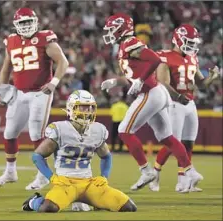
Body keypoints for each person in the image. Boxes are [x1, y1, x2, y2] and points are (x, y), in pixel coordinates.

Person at [100, 13, 202, 193]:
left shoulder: (130, 43)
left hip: (150, 93)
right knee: (168, 138)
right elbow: (132, 77)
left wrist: (141, 79)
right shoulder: (126, 46)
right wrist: (115, 81)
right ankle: (190, 171)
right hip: (156, 93)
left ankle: (146, 171)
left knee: (124, 131)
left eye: (112, 29)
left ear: (121, 29)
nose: (110, 33)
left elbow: (155, 59)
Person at [0, 8, 69, 191]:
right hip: (18, 93)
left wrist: (54, 83)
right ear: (16, 25)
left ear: (35, 21)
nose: (26, 26)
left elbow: (63, 61)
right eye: (22, 22)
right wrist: (1, 90)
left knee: (36, 134)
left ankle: (43, 175)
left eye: (28, 21)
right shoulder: (11, 41)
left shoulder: (44, 38)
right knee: (9, 132)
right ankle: (10, 172)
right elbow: (5, 69)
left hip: (40, 93)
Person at [22, 90, 137, 213]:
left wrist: (104, 176)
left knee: (128, 207)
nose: (87, 111)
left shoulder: (98, 130)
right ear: (71, 108)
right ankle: (34, 201)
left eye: (91, 108)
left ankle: (99, 202)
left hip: (89, 184)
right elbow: (37, 156)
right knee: (48, 208)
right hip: (66, 184)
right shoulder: (60, 129)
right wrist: (52, 178)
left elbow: (106, 156)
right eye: (83, 107)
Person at [149, 24, 219, 192]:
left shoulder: (192, 57)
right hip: (175, 103)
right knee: (174, 143)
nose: (192, 45)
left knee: (188, 143)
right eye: (188, 41)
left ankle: (183, 182)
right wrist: (180, 97)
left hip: (189, 102)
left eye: (193, 42)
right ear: (178, 39)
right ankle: (155, 172)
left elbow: (200, 84)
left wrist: (212, 77)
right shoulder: (165, 57)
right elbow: (163, 83)